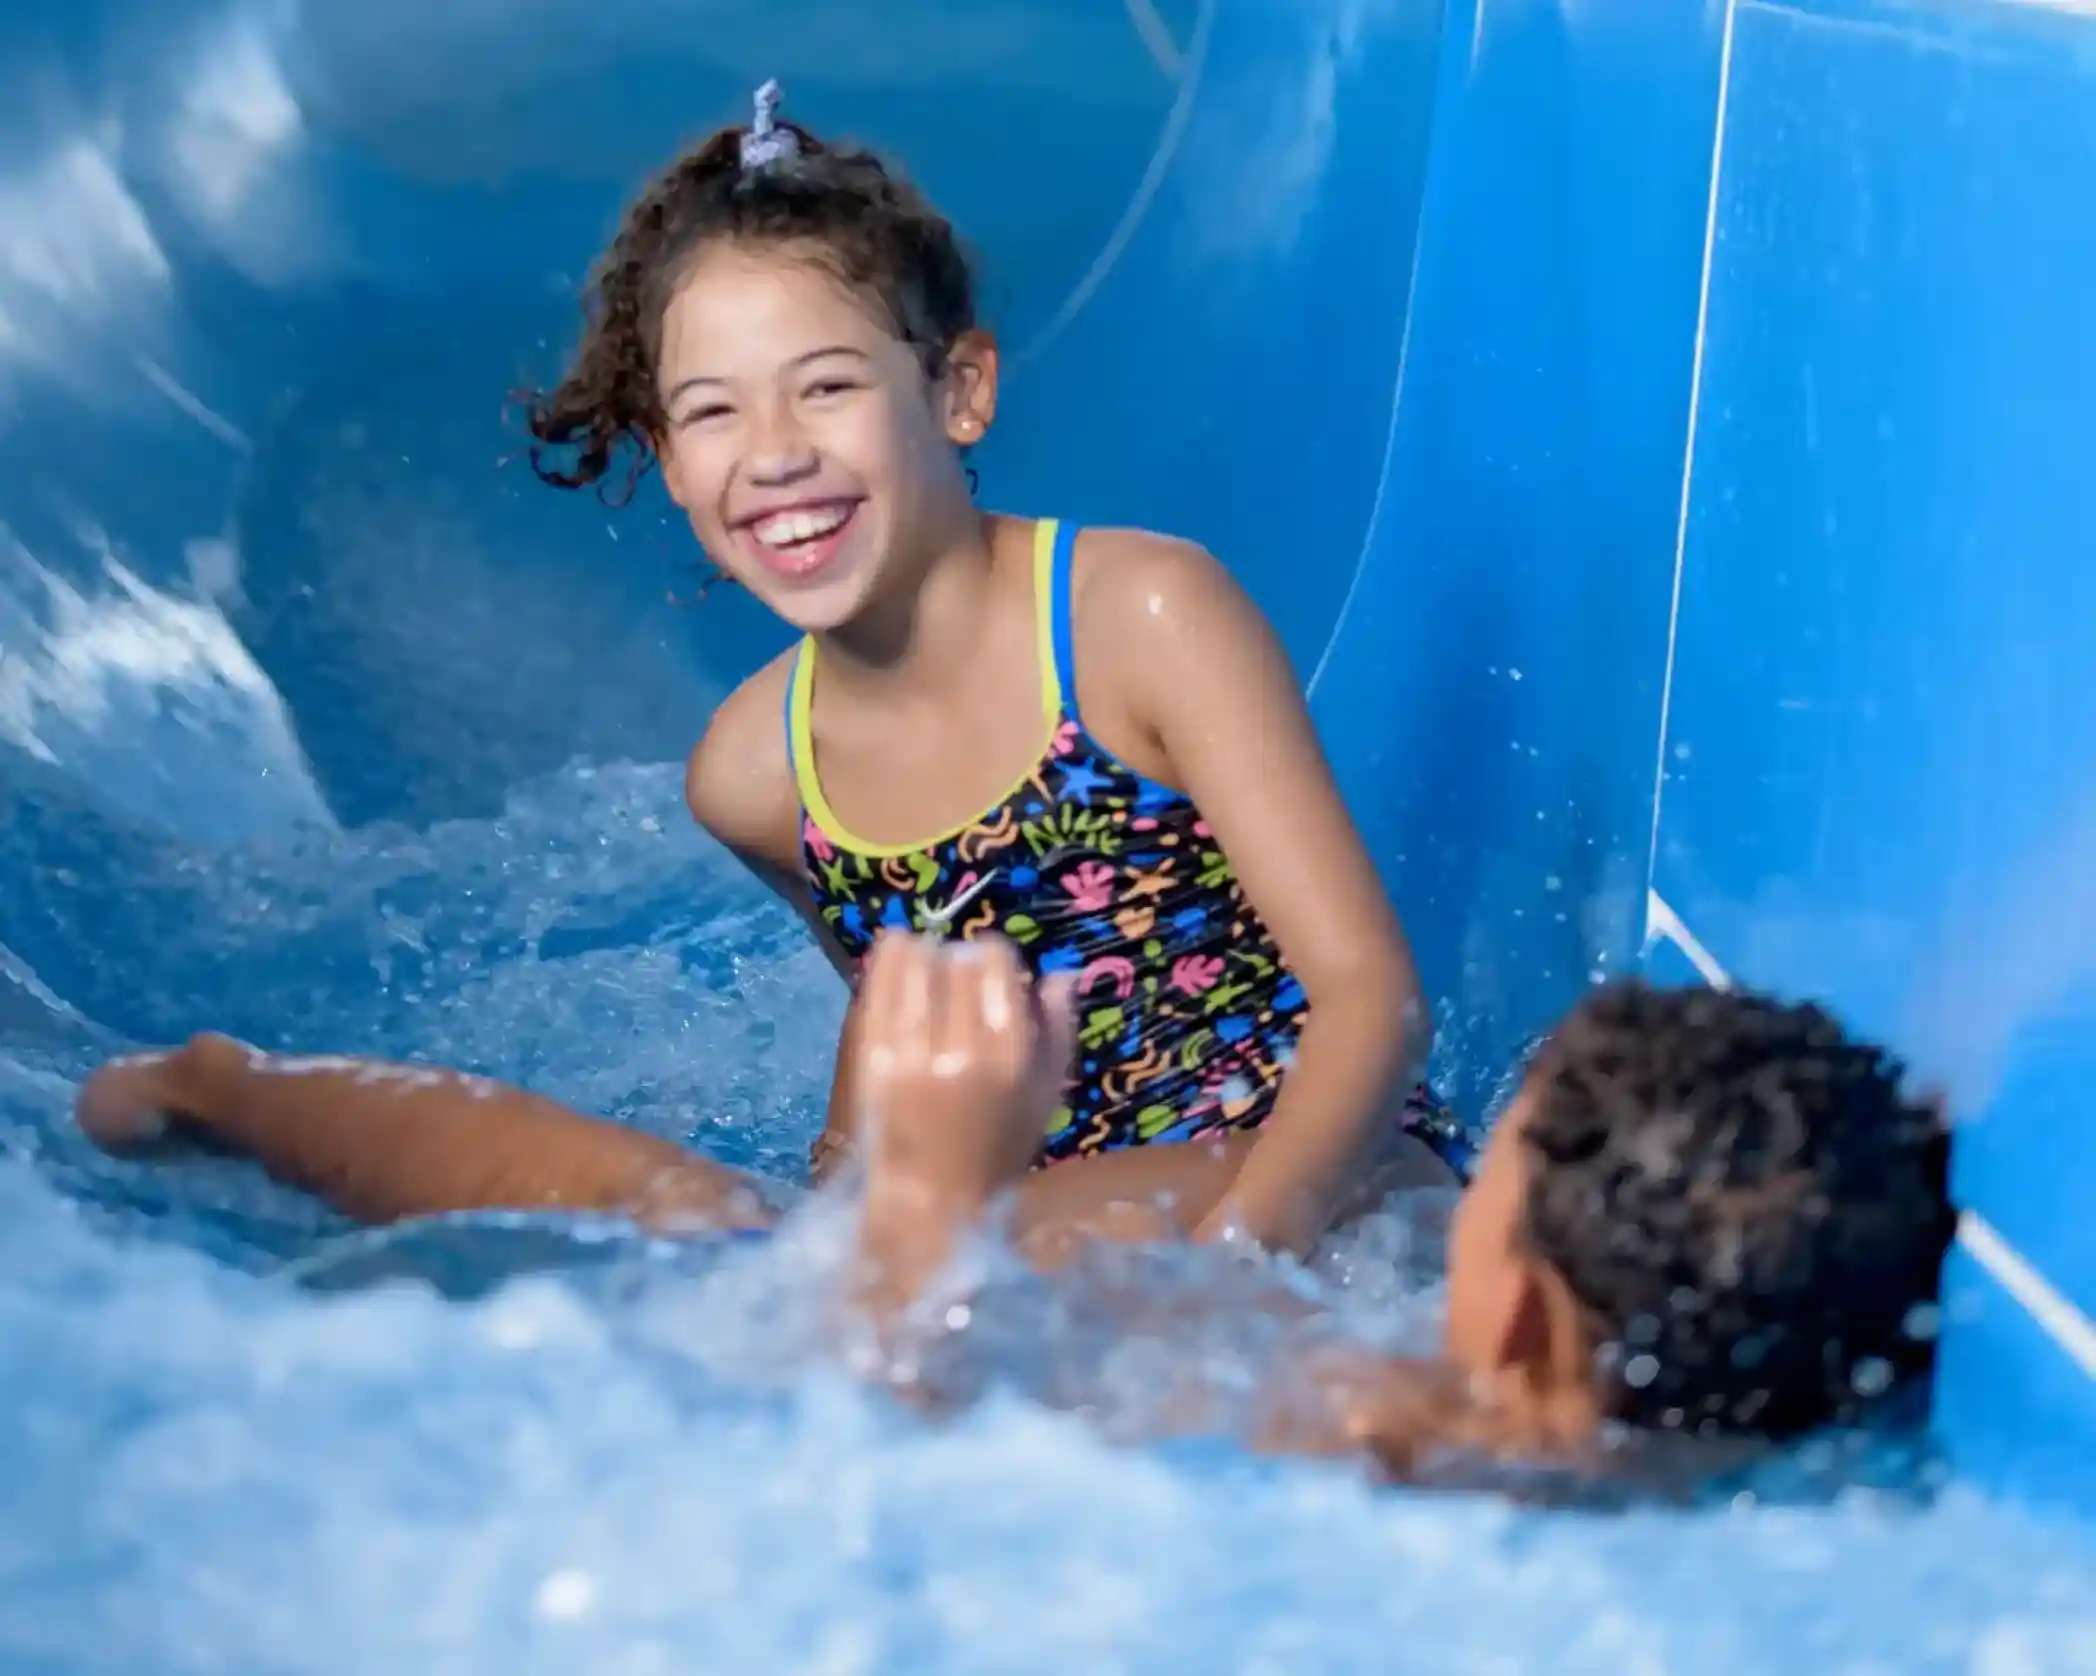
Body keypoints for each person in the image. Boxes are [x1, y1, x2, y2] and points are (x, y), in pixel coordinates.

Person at [518, 79, 1462, 1255]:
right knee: (743, 1253)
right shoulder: (756, 773)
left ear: (957, 389)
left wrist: (1233, 1274)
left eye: (827, 387)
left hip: (1327, 1184)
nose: (771, 455)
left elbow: (1372, 1002)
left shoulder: (1138, 620)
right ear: (665, 457)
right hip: (1050, 1237)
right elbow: (898, 1003)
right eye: (712, 413)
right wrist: (830, 1214)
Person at [76, 932, 1955, 1485]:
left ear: (1529, 1313)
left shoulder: (1379, 1452)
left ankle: (228, 1087)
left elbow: (843, 1482)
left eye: (1494, 1183)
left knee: (693, 1218)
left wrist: (924, 1205)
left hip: (782, 1457)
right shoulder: (1642, 1462)